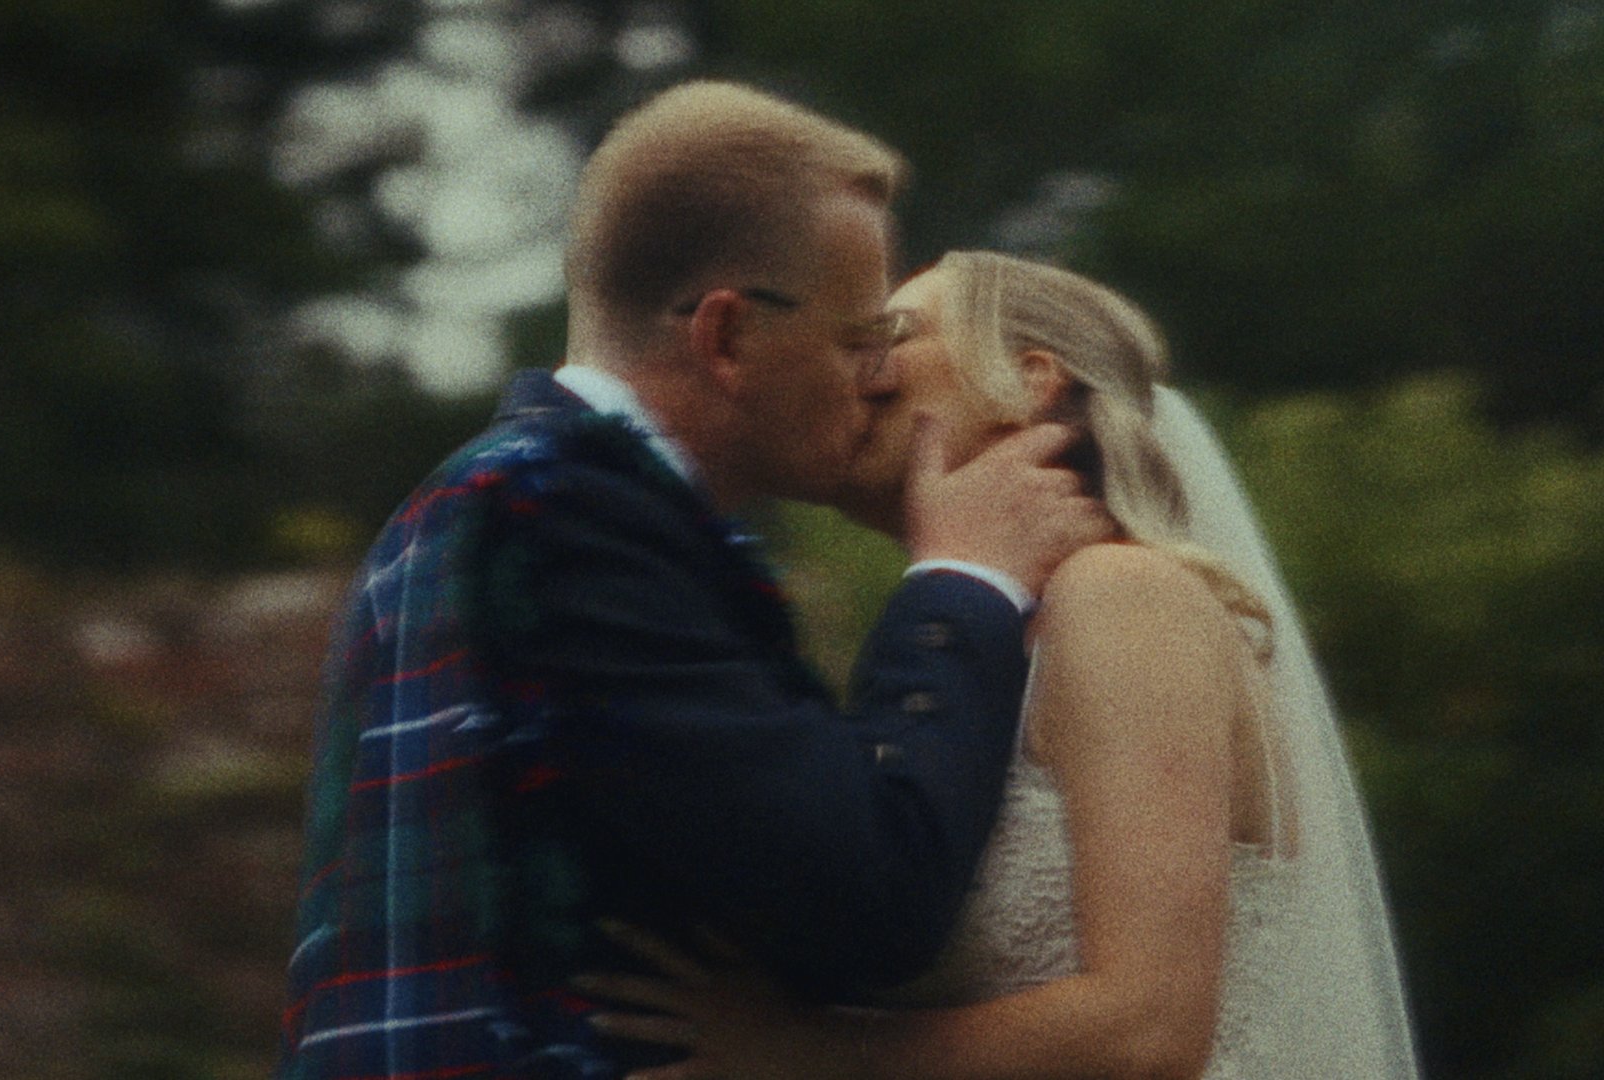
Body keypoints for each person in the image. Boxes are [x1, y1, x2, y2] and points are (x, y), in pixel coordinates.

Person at [277, 90, 1113, 1079]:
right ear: (726, 337)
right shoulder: (574, 521)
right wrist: (965, 576)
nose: (877, 376)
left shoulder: (467, 505)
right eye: (859, 338)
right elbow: (869, 901)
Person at [579, 252, 1421, 1079]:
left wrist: (811, 1052)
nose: (856, 371)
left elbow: (1149, 1032)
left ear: (1033, 379)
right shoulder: (980, 656)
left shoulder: (1120, 595)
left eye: (893, 334)